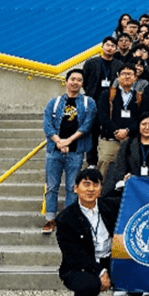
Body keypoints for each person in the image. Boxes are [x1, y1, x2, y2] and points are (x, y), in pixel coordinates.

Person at [57, 168, 149, 296]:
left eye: (95, 184)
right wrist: (100, 272)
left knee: (145, 259)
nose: (91, 189)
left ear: (100, 188)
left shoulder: (110, 206)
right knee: (90, 284)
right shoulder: (65, 218)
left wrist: (131, 183)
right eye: (86, 184)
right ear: (76, 188)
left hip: (110, 258)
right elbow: (74, 254)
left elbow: (130, 199)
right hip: (81, 266)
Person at [42, 69, 97, 234]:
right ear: (66, 81)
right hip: (54, 151)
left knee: (73, 187)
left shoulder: (88, 102)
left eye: (79, 80)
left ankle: (68, 220)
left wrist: (68, 141)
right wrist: (59, 141)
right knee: (52, 186)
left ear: (82, 83)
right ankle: (50, 219)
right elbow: (47, 125)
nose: (75, 82)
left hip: (76, 151)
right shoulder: (54, 102)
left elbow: (87, 125)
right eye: (72, 79)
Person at [103, 112, 149, 195]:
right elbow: (120, 167)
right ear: (138, 125)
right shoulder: (127, 144)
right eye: (144, 124)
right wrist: (124, 178)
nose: (147, 127)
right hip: (131, 188)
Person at [96, 63, 143, 177]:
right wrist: (117, 131)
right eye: (124, 73)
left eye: (130, 74)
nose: (127, 76)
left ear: (135, 77)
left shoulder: (139, 97)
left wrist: (127, 131)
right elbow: (103, 117)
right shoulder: (107, 94)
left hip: (131, 140)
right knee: (104, 169)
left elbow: (141, 119)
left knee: (129, 172)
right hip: (110, 139)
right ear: (118, 76)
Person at [82, 37, 121, 166]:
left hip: (111, 104)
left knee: (108, 131)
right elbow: (85, 81)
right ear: (102, 47)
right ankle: (91, 161)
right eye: (107, 45)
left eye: (113, 46)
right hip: (93, 102)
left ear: (116, 49)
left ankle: (107, 159)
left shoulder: (118, 65)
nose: (110, 48)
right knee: (92, 132)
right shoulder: (91, 63)